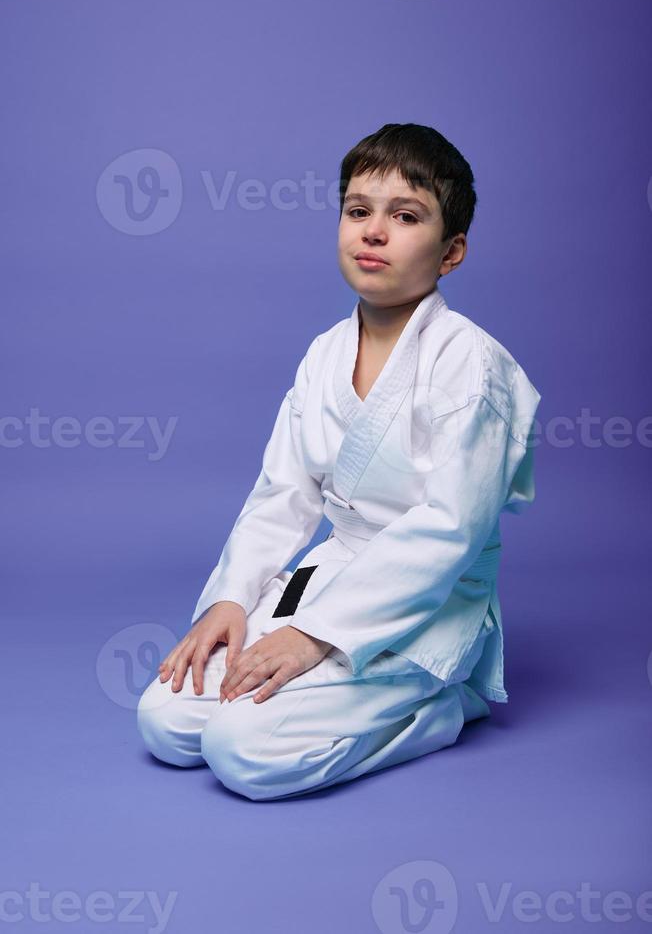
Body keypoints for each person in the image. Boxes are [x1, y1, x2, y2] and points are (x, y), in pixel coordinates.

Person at [137, 122, 542, 801]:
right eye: (358, 211)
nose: (373, 231)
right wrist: (233, 599)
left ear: (452, 252)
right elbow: (282, 493)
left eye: (405, 216)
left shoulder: (472, 367)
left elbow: (450, 529)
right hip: (330, 577)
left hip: (427, 599)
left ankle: (441, 704)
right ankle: (312, 663)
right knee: (167, 721)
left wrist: (317, 637)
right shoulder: (325, 352)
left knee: (242, 750)